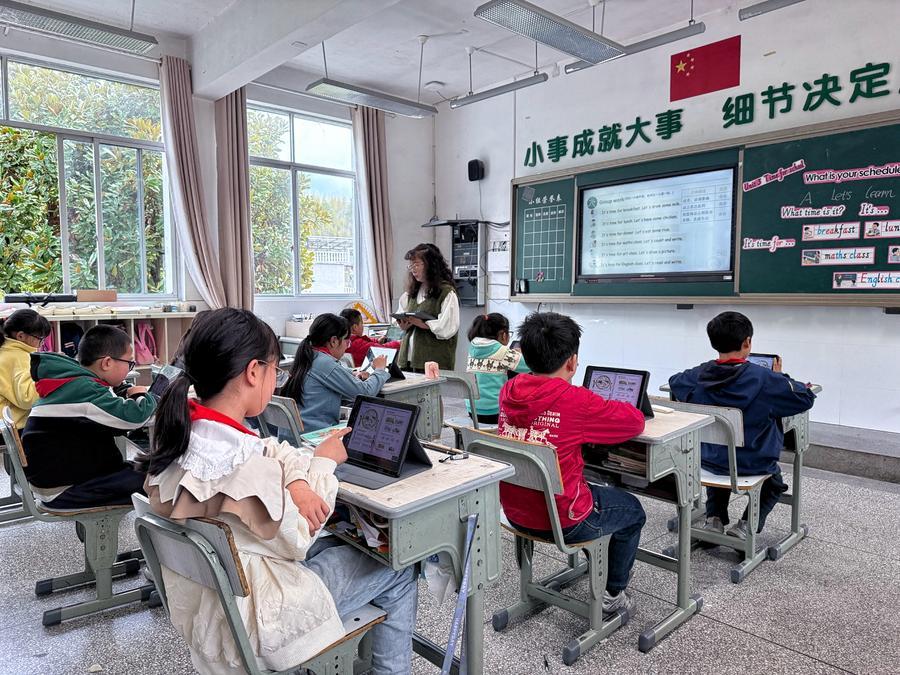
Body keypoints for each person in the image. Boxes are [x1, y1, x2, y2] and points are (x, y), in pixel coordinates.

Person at [142, 308, 416, 675]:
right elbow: (302, 534)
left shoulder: (184, 434)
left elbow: (271, 447)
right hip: (262, 622)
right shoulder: (240, 463)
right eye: (275, 371)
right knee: (398, 565)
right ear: (254, 372)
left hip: (213, 614)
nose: (276, 380)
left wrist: (297, 481)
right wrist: (322, 465)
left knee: (344, 547)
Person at [497, 312, 646, 615]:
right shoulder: (577, 400)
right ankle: (613, 593)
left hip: (514, 512)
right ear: (573, 362)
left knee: (592, 486)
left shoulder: (508, 392)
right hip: (566, 521)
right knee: (633, 511)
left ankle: (597, 564)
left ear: (524, 354)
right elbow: (635, 422)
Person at [668, 311, 816, 540]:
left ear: (713, 342)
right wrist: (780, 376)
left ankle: (713, 519)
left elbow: (674, 383)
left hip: (706, 459)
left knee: (722, 461)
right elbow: (805, 397)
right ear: (747, 342)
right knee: (774, 483)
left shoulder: (698, 375)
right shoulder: (766, 380)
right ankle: (746, 525)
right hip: (753, 462)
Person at [21, 324, 155, 508]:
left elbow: (102, 413)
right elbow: (134, 418)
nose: (129, 368)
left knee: (144, 469)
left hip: (57, 479)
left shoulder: (75, 381)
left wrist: (122, 391)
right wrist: (142, 396)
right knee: (157, 480)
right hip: (67, 490)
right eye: (129, 363)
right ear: (107, 363)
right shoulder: (86, 390)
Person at [281, 313, 390, 432]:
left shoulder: (309, 355)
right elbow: (365, 392)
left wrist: (352, 373)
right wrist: (379, 370)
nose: (346, 347)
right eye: (346, 342)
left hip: (295, 433)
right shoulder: (324, 363)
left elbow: (330, 374)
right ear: (333, 341)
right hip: (313, 435)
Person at [396, 243, 460, 371]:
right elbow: (400, 314)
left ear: (430, 265)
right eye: (411, 265)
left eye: (417, 264)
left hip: (434, 360)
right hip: (409, 359)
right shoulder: (411, 293)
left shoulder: (446, 292)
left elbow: (448, 327)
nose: (413, 269)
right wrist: (402, 325)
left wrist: (423, 324)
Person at [465, 313, 530, 424]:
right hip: (494, 412)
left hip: (473, 410)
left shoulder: (473, 347)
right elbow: (529, 365)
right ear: (503, 334)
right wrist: (521, 354)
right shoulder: (502, 351)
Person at [0, 309, 51, 429]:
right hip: (12, 428)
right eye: (40, 339)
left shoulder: (6, 349)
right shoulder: (19, 357)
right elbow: (27, 399)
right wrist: (49, 374)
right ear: (21, 336)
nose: (41, 343)